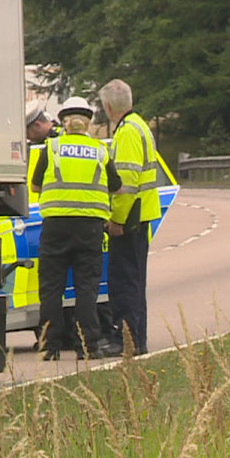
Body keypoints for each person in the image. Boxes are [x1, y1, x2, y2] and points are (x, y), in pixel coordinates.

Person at [31, 96, 122, 360]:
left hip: (55, 225)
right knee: (86, 289)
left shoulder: (53, 148)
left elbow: (36, 186)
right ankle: (87, 346)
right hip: (90, 228)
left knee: (51, 289)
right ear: (89, 122)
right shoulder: (100, 151)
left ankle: (49, 347)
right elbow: (115, 187)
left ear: (64, 122)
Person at [97, 79, 161, 356]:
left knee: (124, 283)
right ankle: (136, 339)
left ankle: (127, 340)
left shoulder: (127, 133)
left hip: (130, 218)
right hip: (141, 215)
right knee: (134, 282)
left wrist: (117, 220)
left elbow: (126, 184)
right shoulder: (140, 126)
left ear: (109, 107)